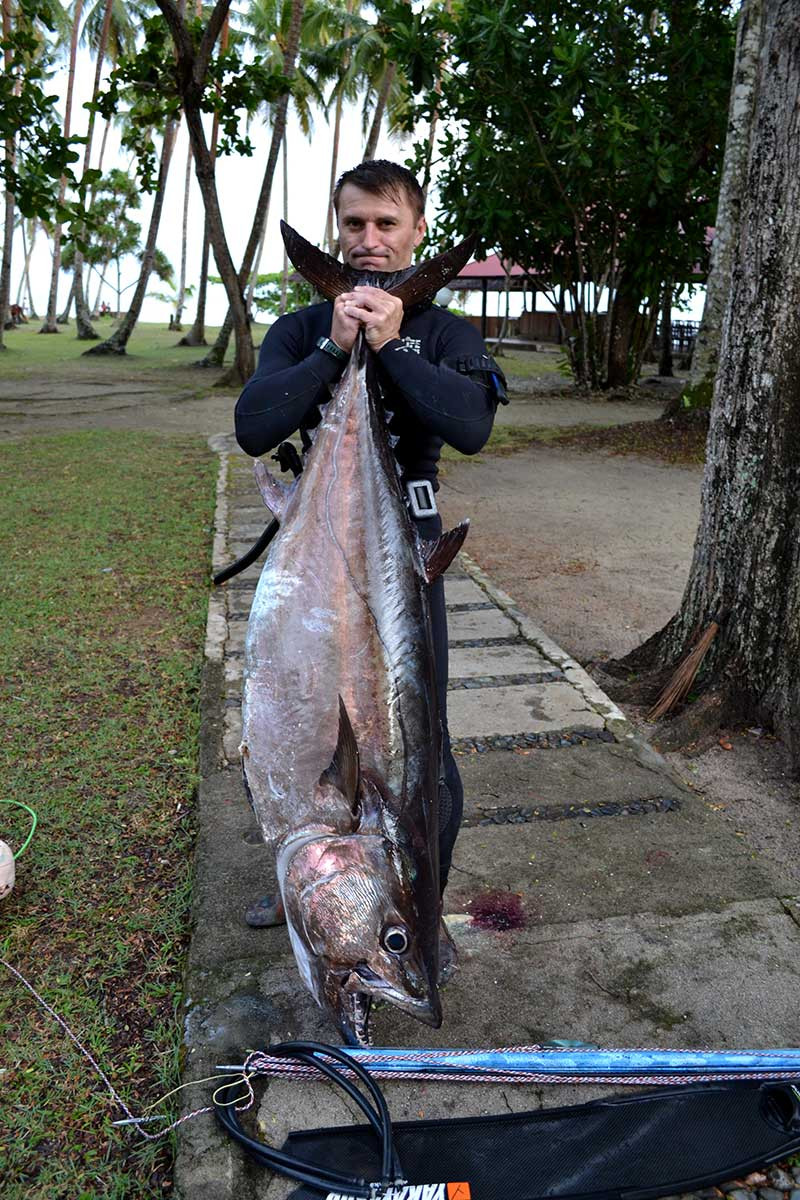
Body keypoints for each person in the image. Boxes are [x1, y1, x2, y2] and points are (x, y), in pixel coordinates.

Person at [235, 159, 507, 927]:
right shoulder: (299, 327)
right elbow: (254, 425)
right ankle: (302, 864)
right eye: (354, 224)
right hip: (309, 553)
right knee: (290, 724)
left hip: (404, 560)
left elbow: (472, 426)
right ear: (338, 229)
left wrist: (391, 344)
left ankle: (417, 901)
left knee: (416, 742)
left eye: (388, 224)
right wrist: (332, 346)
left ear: (416, 231)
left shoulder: (443, 330)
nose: (369, 240)